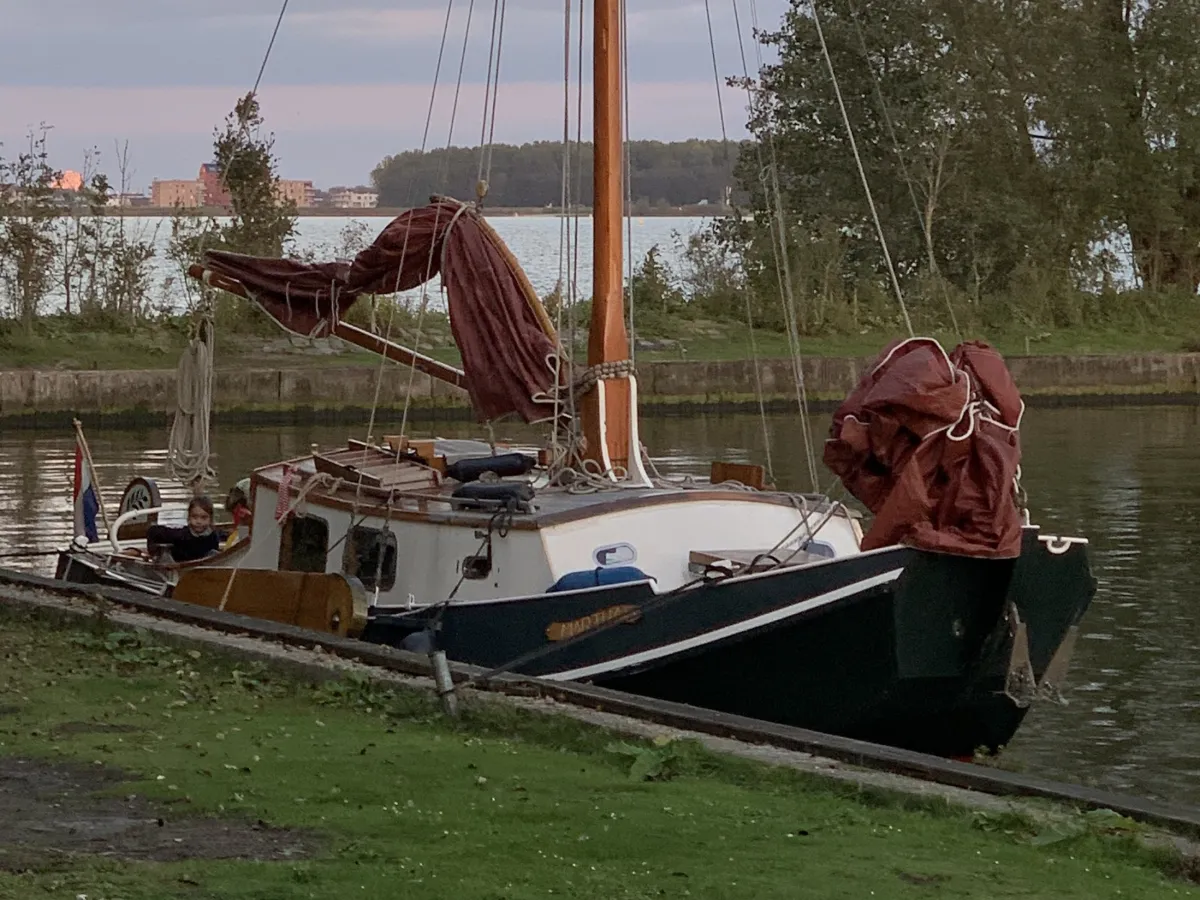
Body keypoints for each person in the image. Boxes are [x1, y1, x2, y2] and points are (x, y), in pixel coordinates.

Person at [146, 495, 227, 563]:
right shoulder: (181, 535)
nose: (198, 521)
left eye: (204, 517)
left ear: (210, 519)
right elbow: (153, 531)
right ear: (189, 517)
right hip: (180, 566)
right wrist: (153, 551)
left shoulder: (213, 536)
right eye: (194, 517)